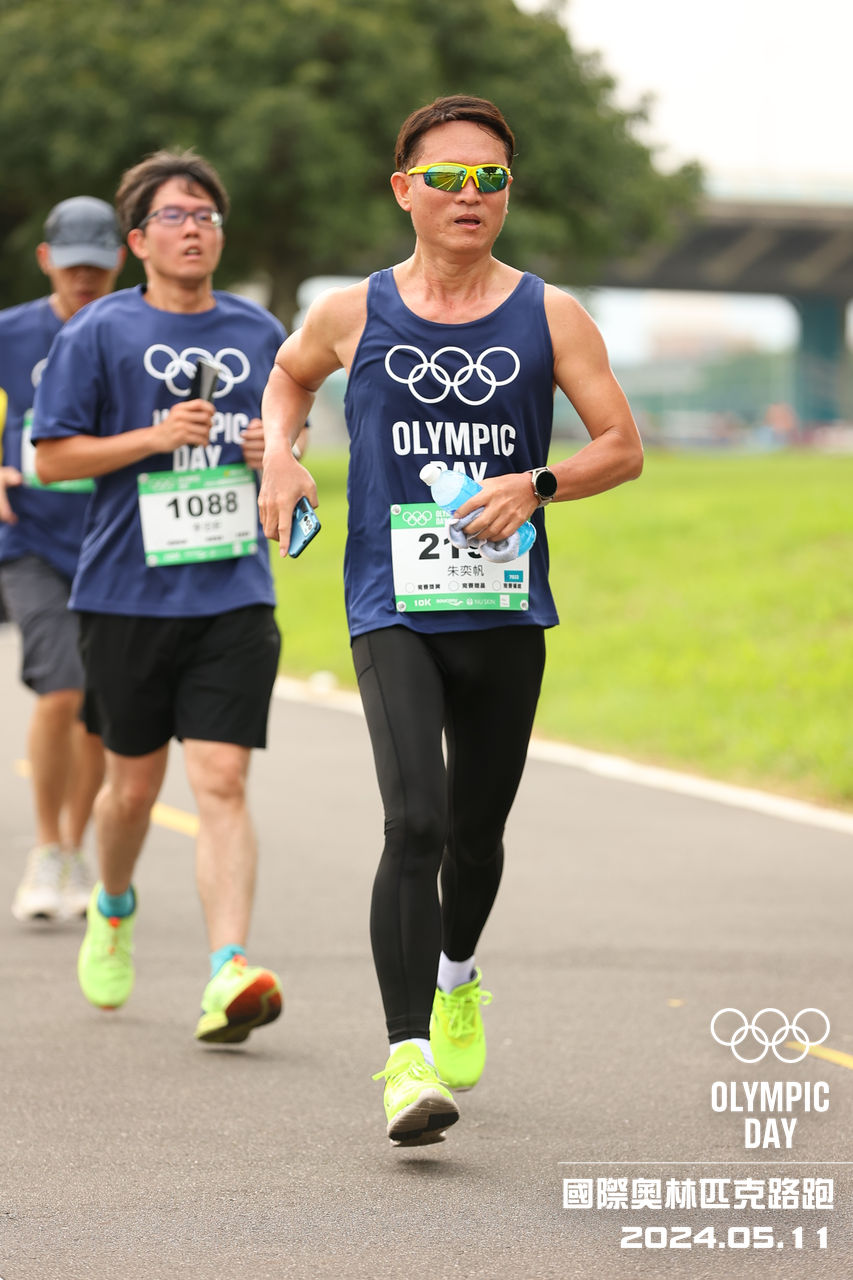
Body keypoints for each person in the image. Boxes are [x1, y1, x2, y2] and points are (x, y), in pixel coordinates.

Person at [258, 94, 644, 1144]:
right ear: (404, 190)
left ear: (506, 193)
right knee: (415, 823)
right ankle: (406, 1057)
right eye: (446, 177)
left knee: (475, 837)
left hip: (504, 608)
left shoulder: (551, 315)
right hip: (392, 604)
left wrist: (538, 483)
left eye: (489, 179)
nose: (469, 195)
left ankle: (458, 972)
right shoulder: (353, 311)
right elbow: (288, 378)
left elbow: (620, 445)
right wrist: (281, 453)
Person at [32, 150, 287, 1046]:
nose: (194, 230)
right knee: (132, 792)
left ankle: (228, 970)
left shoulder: (260, 332)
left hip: (233, 591)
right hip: (125, 594)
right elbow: (52, 458)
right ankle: (112, 904)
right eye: (175, 216)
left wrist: (275, 455)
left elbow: (293, 452)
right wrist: (152, 437)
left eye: (207, 216)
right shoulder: (98, 331)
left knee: (221, 779)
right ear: (138, 240)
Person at [0, 197, 125, 922]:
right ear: (46, 260)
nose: (85, 279)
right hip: (31, 540)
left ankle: (76, 849)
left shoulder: (135, 330)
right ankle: (47, 847)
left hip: (114, 540)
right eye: (73, 266)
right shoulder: (11, 333)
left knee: (98, 711)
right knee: (62, 690)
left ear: (120, 261)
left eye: (98, 267)